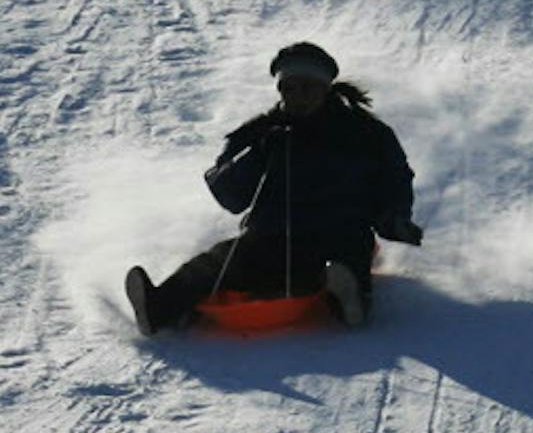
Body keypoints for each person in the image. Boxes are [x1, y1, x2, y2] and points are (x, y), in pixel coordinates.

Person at [125, 41, 421, 334]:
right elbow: (229, 196)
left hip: (340, 231)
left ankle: (348, 300)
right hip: (271, 236)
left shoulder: (366, 132)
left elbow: (394, 179)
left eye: (308, 88)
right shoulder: (261, 132)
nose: (299, 97)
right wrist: (259, 152)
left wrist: (395, 219)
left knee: (347, 254)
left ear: (326, 88)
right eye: (289, 88)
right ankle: (157, 308)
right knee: (217, 262)